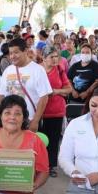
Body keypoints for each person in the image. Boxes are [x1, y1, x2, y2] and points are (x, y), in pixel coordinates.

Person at [0, 37, 52, 132]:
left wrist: (35, 121)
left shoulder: (38, 70)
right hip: (9, 121)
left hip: (29, 120)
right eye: (10, 53)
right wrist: (1, 118)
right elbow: (1, 95)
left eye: (16, 52)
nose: (12, 56)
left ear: (26, 51)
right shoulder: (8, 70)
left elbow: (44, 97)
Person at [40, 46, 71, 177]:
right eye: (51, 57)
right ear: (43, 58)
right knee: (39, 140)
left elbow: (68, 89)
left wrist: (56, 91)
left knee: (53, 140)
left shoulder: (59, 69)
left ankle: (51, 166)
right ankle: (39, 166)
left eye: (56, 56)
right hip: (39, 111)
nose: (54, 59)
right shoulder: (37, 70)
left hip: (56, 111)